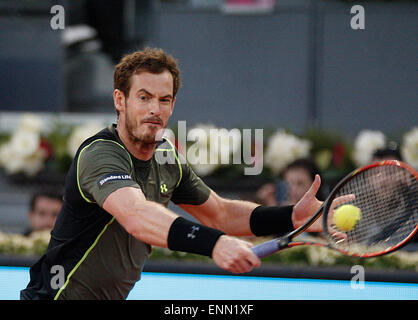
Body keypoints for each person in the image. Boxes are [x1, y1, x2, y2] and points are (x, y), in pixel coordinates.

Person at [21, 48, 325, 300]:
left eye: (164, 100)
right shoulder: (101, 153)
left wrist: (293, 217)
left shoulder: (167, 158)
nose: (155, 108)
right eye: (144, 97)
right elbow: (137, 216)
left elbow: (219, 213)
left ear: (172, 105)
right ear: (119, 100)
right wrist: (214, 244)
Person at [256, 158, 325, 206]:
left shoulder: (321, 213)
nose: (293, 189)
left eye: (300, 184)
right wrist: (269, 201)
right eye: (289, 183)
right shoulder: (282, 207)